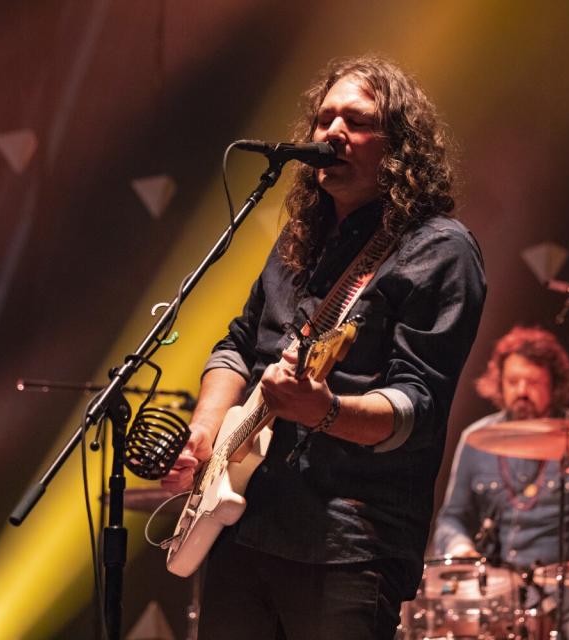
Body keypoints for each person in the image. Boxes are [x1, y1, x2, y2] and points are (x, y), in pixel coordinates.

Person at [162, 55, 486, 639]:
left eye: (356, 121)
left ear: (399, 147)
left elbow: (418, 407)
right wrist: (207, 437)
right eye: (324, 118)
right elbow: (238, 345)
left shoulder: (439, 252)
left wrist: (325, 411)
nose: (333, 132)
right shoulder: (298, 241)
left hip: (347, 543)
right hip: (243, 526)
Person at [433, 325, 569, 639]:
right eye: (512, 381)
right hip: (497, 602)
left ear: (555, 384)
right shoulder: (476, 440)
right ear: (499, 384)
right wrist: (460, 547)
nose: (521, 390)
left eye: (533, 382)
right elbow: (452, 517)